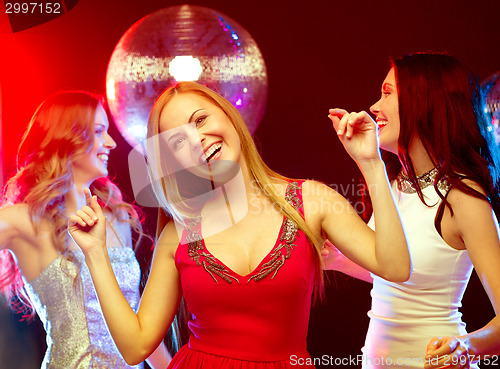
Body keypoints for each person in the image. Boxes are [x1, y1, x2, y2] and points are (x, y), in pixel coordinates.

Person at [68, 81, 411, 369]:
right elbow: (136, 347)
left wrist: (371, 163)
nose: (197, 139)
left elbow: (395, 266)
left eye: (200, 120)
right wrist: (95, 252)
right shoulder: (178, 234)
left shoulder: (312, 201)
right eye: (177, 141)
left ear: (229, 115)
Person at [324, 52, 500, 369]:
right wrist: (338, 260)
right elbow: (404, 276)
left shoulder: (464, 197)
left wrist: (466, 346)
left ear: (425, 101)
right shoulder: (393, 183)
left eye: (387, 93)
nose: (374, 107)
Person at [0, 90, 170, 368]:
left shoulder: (117, 219)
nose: (112, 142)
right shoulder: (25, 221)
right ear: (67, 136)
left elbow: (138, 325)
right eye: (99, 131)